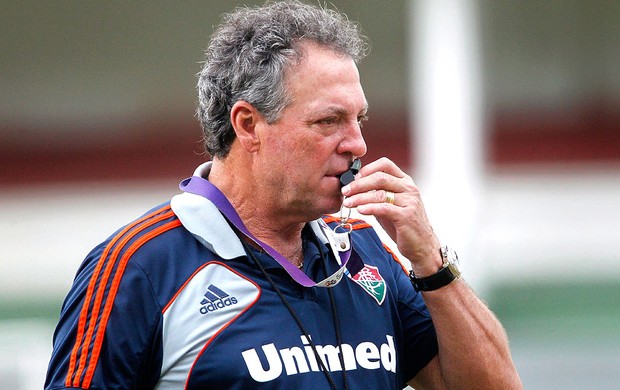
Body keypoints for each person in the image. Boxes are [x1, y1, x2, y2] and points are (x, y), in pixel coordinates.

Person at [45, 1, 522, 389]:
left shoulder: (364, 247)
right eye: (328, 121)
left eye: (360, 120)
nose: (357, 144)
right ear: (249, 125)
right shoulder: (139, 266)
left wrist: (431, 263)